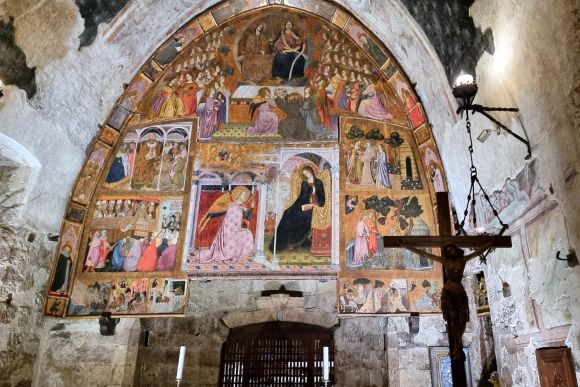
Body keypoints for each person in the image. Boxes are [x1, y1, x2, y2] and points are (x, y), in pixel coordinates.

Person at [269, 166, 325, 253]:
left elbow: (322, 200)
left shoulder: (319, 183)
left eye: (307, 173)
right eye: (304, 174)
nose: (306, 175)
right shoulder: (304, 183)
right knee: (287, 213)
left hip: (314, 207)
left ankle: (295, 242)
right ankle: (281, 243)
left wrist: (314, 204)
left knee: (300, 217)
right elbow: (301, 197)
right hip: (302, 205)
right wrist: (296, 206)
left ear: (311, 171)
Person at [199, 186, 255, 263]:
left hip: (233, 232)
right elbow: (230, 223)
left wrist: (248, 209)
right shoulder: (233, 207)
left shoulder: (240, 206)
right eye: (242, 195)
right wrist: (239, 230)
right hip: (229, 235)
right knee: (247, 234)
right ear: (238, 194)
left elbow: (249, 218)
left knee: (248, 233)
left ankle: (239, 255)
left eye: (245, 195)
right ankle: (237, 256)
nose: (244, 197)